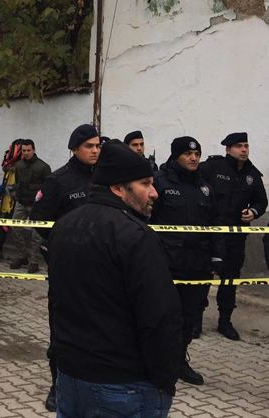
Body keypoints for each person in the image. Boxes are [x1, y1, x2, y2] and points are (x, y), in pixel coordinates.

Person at [49, 139, 183, 417]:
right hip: (122, 385)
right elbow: (159, 317)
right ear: (118, 188)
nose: (154, 192)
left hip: (71, 378)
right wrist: (165, 379)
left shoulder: (64, 226)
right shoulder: (135, 236)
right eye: (145, 184)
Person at [30, 123, 100, 412]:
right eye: (89, 146)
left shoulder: (106, 178)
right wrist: (65, 246)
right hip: (67, 270)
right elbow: (40, 222)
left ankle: (93, 382)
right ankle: (57, 386)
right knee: (63, 329)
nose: (95, 151)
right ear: (75, 149)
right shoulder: (58, 180)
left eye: (98, 146)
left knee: (99, 327)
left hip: (101, 268)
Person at [150, 137, 224, 386]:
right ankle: (156, 360)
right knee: (163, 315)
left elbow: (215, 223)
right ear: (176, 156)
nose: (194, 158)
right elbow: (147, 222)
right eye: (188, 154)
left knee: (189, 316)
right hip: (167, 263)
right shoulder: (160, 183)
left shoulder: (204, 186)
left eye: (197, 154)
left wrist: (217, 256)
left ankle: (179, 360)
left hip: (197, 264)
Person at [199, 132, 267, 341]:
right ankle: (195, 320)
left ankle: (225, 321)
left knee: (230, 279)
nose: (244, 150)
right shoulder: (213, 167)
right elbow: (194, 185)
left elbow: (261, 201)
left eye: (246, 146)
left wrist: (253, 212)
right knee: (202, 277)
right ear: (228, 149)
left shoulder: (252, 174)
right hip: (210, 233)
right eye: (239, 146)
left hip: (236, 236)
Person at [9, 139, 51, 273]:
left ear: (34, 150)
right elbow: (16, 183)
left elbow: (49, 187)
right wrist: (15, 194)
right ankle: (22, 256)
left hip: (36, 205)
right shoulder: (19, 165)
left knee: (36, 234)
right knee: (14, 227)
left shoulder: (43, 167)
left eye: (28, 150)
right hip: (21, 203)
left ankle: (34, 261)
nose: (26, 153)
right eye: (24, 151)